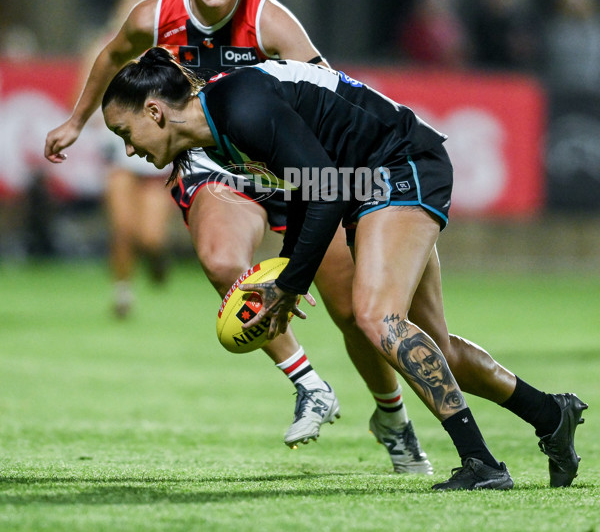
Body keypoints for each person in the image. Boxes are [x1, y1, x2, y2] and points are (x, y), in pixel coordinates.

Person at [44, 0, 432, 472]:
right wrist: (77, 120)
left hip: (289, 170)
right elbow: (113, 57)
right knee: (222, 258)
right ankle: (309, 385)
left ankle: (392, 418)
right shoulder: (154, 18)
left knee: (352, 312)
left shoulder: (271, 21)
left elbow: (331, 97)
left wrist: (351, 181)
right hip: (212, 162)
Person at [101, 47, 588, 490]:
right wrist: (288, 272)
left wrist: (289, 285)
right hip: (373, 180)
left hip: (398, 166)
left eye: (125, 133)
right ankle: (549, 413)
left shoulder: (238, 106)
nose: (128, 150)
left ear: (155, 110)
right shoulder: (221, 126)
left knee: (376, 318)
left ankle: (481, 462)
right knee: (434, 350)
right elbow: (304, 188)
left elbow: (325, 190)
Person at [80, 0, 174, 317]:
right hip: (117, 151)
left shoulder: (167, 54)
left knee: (151, 236)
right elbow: (81, 96)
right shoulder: (102, 48)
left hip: (154, 156)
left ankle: (157, 259)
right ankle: (122, 293)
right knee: (122, 228)